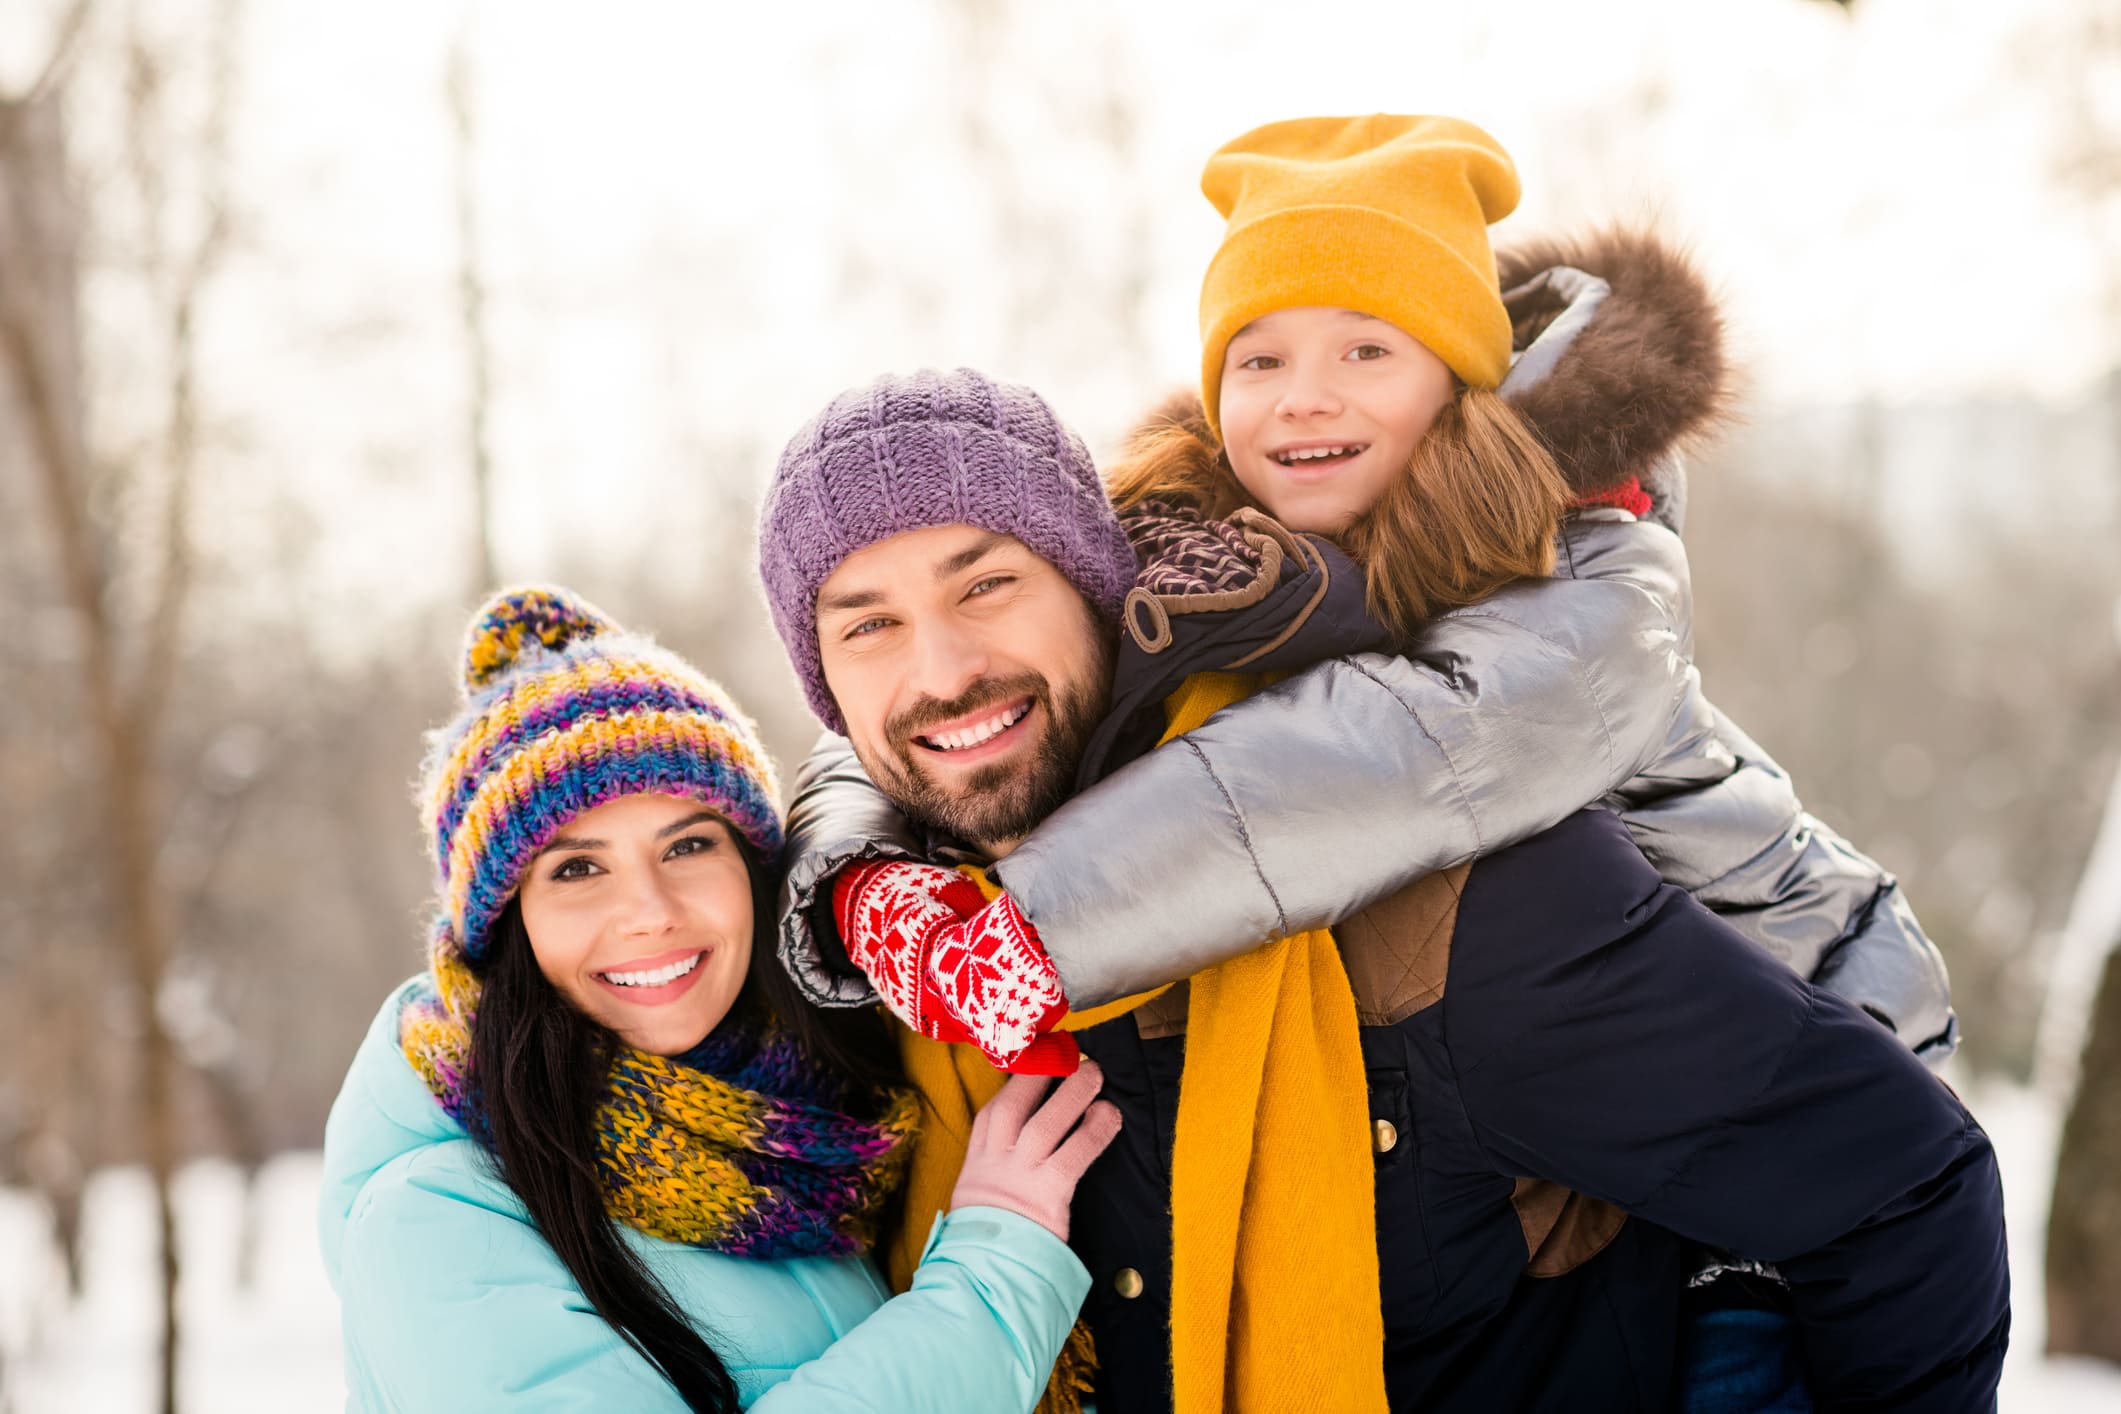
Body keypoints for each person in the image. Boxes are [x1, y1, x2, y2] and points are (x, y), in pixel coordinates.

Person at [751, 366, 2008, 1413]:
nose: (947, 668)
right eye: (868, 625)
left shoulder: (1441, 900)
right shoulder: (872, 979)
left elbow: (1903, 1187)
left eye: (988, 584)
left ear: (1093, 589)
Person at [316, 586, 1118, 1413]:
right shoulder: (435, 1220)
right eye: (577, 869)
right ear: (503, 926)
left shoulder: (812, 1135)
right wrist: (994, 1282)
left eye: (689, 844)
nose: (652, 913)